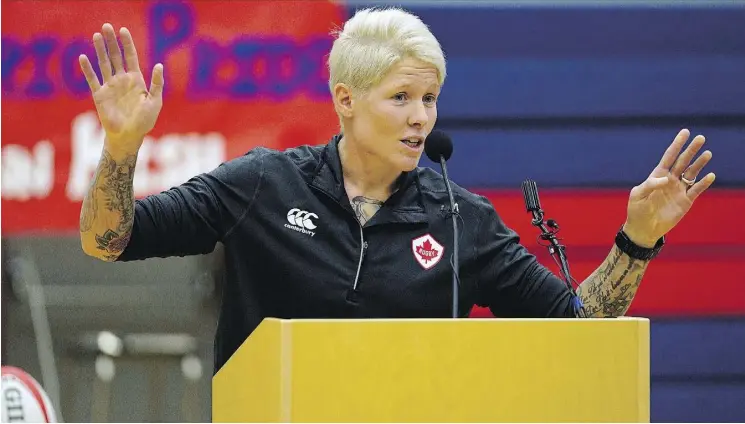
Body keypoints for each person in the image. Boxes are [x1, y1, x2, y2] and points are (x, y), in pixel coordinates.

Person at [77, 8, 715, 373]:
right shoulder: (262, 184)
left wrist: (638, 241)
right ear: (346, 100)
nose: (421, 118)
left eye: (431, 98)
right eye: (402, 97)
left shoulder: (464, 220)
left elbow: (579, 331)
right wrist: (122, 146)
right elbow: (109, 239)